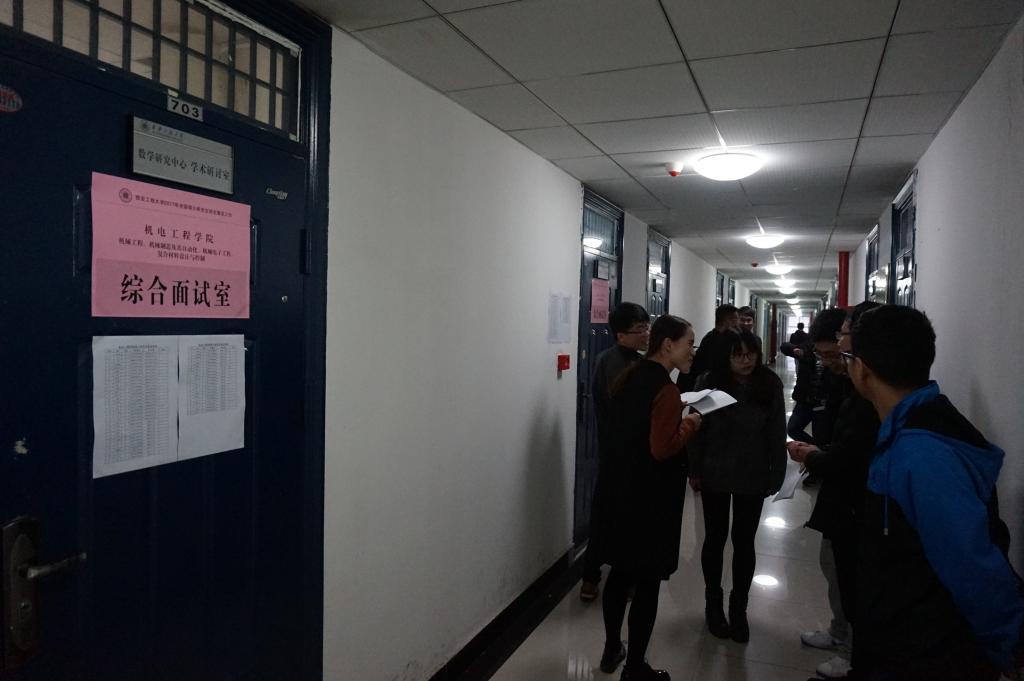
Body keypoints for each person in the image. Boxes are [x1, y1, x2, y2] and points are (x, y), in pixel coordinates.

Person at [845, 305, 1024, 681]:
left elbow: (972, 566)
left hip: (927, 653)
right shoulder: (910, 425)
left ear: (861, 368)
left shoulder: (923, 454)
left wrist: (1012, 645)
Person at [601, 315, 702, 681]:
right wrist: (690, 423)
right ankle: (635, 668)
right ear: (668, 345)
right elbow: (662, 448)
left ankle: (612, 649)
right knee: (646, 583)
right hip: (652, 502)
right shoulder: (665, 390)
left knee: (619, 575)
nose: (692, 352)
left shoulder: (630, 377)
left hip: (622, 493)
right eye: (689, 344)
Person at [788, 302, 881, 680]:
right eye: (825, 355)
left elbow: (854, 452)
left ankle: (851, 651)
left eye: (837, 352)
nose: (831, 361)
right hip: (838, 491)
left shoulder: (869, 395)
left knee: (850, 576)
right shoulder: (837, 380)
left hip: (857, 499)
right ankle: (840, 631)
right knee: (832, 565)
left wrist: (814, 455)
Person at [688, 330, 786, 643]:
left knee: (744, 541)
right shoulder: (708, 382)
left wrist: (777, 472)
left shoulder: (769, 383)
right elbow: (696, 428)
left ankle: (739, 607)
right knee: (714, 538)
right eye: (738, 355)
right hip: (715, 470)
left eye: (750, 354)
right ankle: (713, 603)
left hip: (752, 472)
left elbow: (776, 431)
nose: (746, 361)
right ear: (726, 357)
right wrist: (694, 468)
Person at [580, 303, 651, 602]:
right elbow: (627, 410)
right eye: (640, 330)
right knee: (617, 519)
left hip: (618, 453)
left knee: (608, 516)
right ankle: (603, 578)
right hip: (621, 454)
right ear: (621, 334)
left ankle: (593, 577)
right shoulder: (617, 364)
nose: (646, 334)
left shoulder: (627, 359)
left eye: (647, 327)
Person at [676, 304, 738, 393]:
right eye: (735, 319)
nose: (737, 322)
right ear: (727, 320)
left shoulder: (709, 337)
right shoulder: (727, 340)